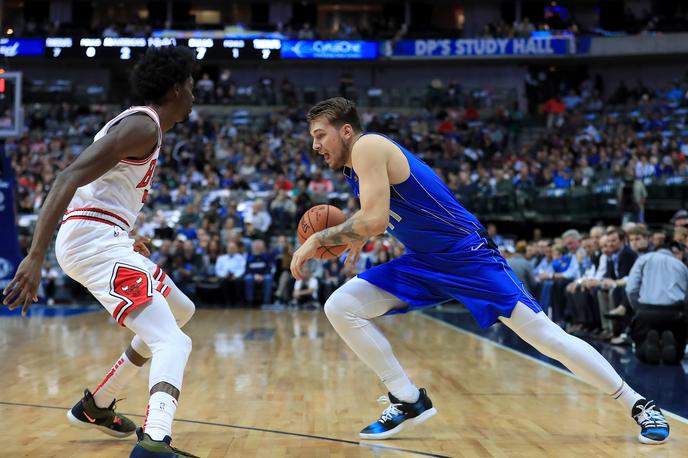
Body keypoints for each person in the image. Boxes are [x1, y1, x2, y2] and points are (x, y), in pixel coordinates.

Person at [290, 97, 669, 444]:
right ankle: (407, 399)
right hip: (426, 261)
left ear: (346, 130)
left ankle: (639, 404)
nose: (315, 145)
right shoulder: (354, 168)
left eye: (320, 135)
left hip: (467, 255)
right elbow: (379, 216)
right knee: (341, 305)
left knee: (546, 337)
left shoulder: (368, 146)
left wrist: (318, 239)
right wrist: (357, 234)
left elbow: (373, 219)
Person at [2, 46, 199, 457]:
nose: (195, 95)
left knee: (181, 311)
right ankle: (155, 442)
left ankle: (98, 405)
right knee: (173, 342)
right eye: (192, 86)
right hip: (92, 242)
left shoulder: (144, 127)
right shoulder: (142, 127)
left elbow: (103, 191)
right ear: (177, 88)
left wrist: (126, 231)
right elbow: (67, 176)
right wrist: (35, 255)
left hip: (106, 236)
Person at [626, 242, 688, 364]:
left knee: (640, 349)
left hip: (647, 311)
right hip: (674, 313)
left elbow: (630, 289)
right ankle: (674, 346)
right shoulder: (681, 265)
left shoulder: (644, 259)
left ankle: (646, 346)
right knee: (677, 352)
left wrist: (638, 309)